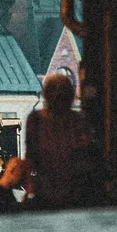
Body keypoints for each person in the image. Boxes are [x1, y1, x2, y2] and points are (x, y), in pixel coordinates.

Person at [25, 72, 97, 210]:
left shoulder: (36, 120)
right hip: (72, 193)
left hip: (50, 191)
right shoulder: (79, 120)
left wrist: (30, 188)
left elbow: (30, 158)